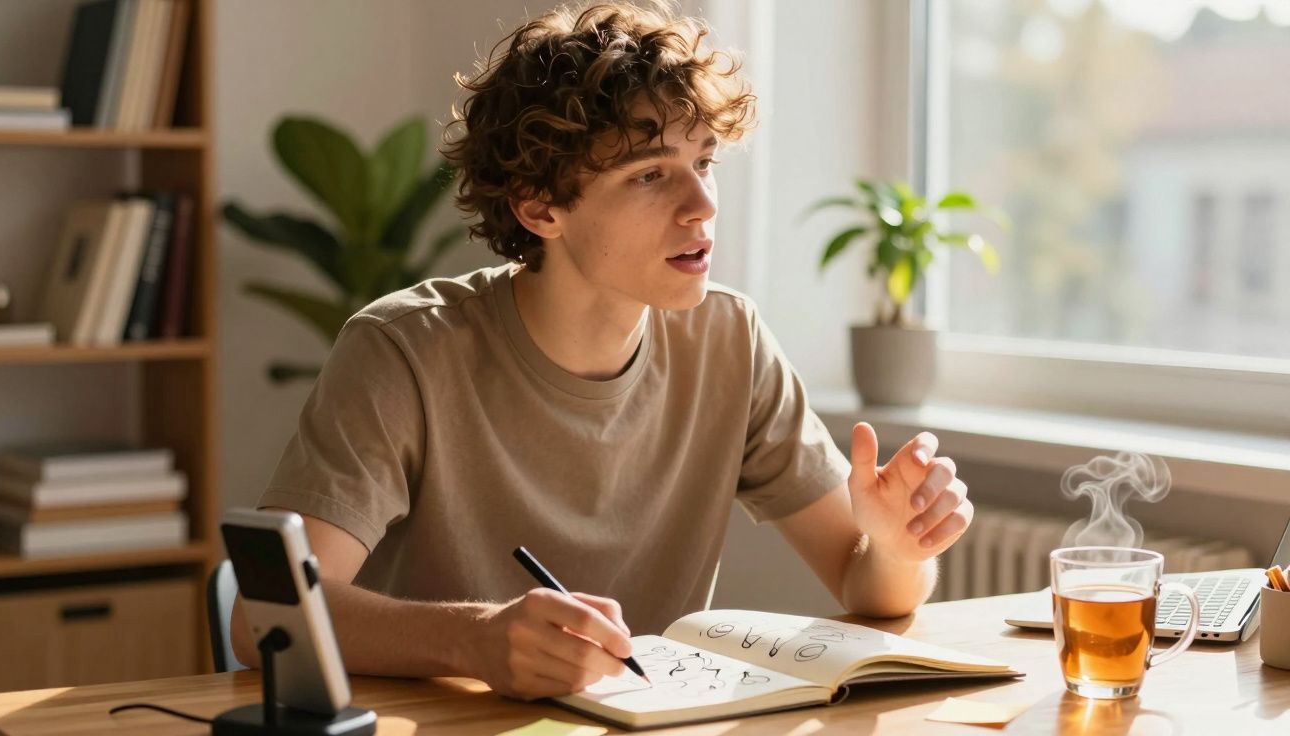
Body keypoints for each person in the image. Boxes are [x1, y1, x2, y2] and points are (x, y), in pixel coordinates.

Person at [230, 0, 973, 701]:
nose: (703, 205)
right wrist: (475, 640)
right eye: (651, 174)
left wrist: (898, 546)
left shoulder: (731, 342)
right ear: (538, 206)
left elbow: (864, 582)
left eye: (705, 163)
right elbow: (265, 618)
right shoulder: (405, 351)